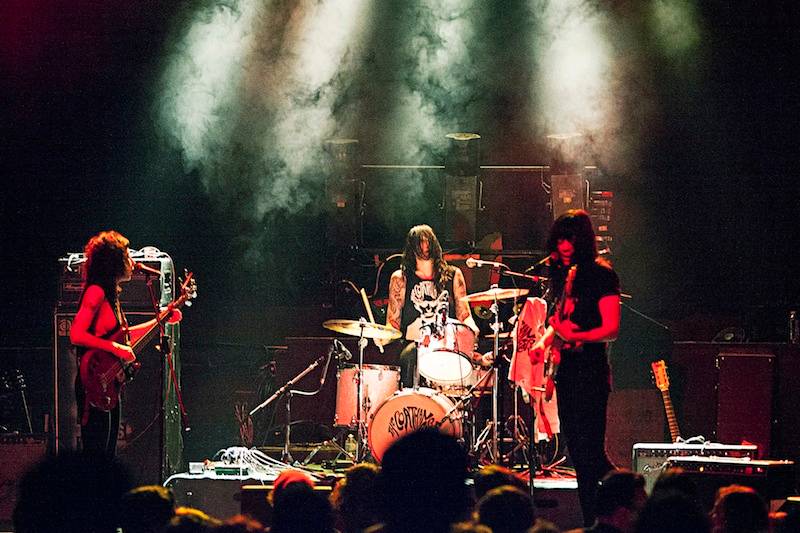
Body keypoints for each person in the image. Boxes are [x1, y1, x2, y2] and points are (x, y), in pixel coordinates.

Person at [529, 210, 621, 526]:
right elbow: (561, 321)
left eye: (570, 239)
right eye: (559, 239)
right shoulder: (565, 276)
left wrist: (575, 335)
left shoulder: (601, 275)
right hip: (567, 374)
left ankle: (624, 503)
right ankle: (597, 518)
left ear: (582, 240)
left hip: (591, 373)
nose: (564, 245)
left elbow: (611, 328)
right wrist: (544, 342)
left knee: (590, 455)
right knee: (580, 456)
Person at [69, 230, 181, 457]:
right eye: (127, 256)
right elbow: (76, 334)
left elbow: (125, 335)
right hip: (93, 382)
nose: (132, 262)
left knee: (107, 456)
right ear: (113, 262)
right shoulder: (95, 292)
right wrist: (114, 348)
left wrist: (163, 318)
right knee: (96, 457)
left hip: (108, 383)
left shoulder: (111, 295)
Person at [382, 224, 480, 387]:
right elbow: (393, 321)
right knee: (409, 355)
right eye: (419, 242)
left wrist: (472, 329)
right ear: (412, 248)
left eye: (427, 242)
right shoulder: (400, 278)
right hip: (415, 346)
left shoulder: (453, 275)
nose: (424, 246)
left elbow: (464, 314)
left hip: (446, 345)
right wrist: (382, 336)